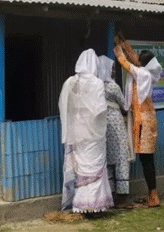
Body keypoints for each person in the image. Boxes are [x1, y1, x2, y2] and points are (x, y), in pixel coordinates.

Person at [59, 49, 114, 213]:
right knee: (95, 164)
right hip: (94, 133)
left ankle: (81, 204)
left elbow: (64, 106)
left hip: (77, 131)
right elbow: (100, 109)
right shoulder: (97, 83)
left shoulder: (70, 82)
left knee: (81, 167)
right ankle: (96, 204)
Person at [113, 33, 163, 207]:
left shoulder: (142, 74)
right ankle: (152, 194)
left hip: (144, 121)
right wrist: (124, 42)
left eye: (140, 60)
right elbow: (135, 59)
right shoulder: (148, 72)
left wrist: (118, 48)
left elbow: (126, 63)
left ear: (143, 64)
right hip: (148, 119)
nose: (137, 61)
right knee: (147, 159)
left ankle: (154, 195)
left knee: (146, 159)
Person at [96, 55, 132, 208]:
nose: (114, 71)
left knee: (108, 159)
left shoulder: (95, 86)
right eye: (112, 68)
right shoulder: (113, 86)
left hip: (101, 125)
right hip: (116, 124)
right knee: (121, 157)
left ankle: (110, 194)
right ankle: (122, 197)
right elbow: (125, 106)